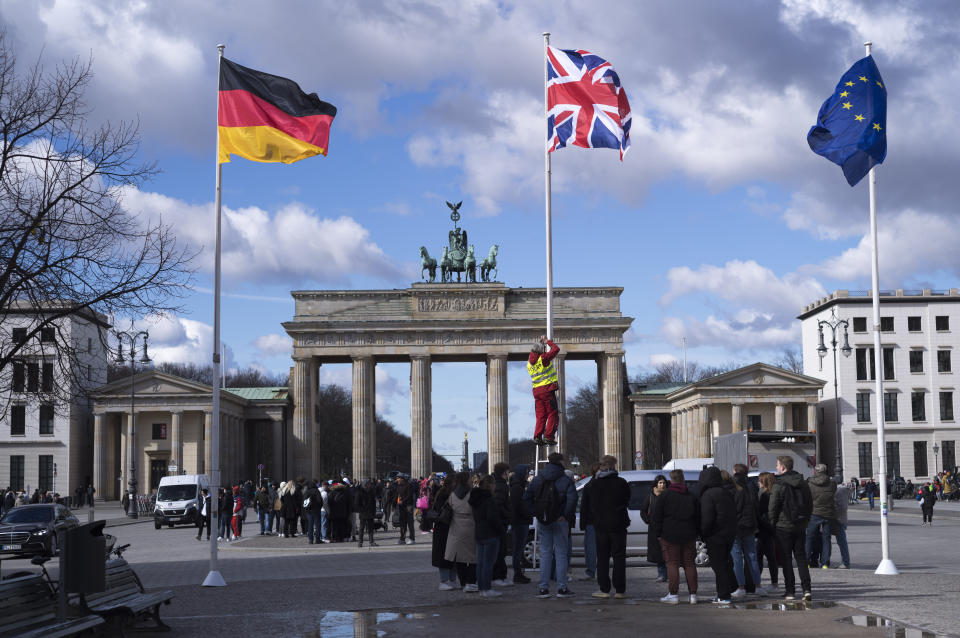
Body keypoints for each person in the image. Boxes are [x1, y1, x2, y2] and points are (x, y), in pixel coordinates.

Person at [524, 452, 576, 599]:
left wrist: (537, 513)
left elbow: (526, 498)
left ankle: (543, 588)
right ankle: (562, 588)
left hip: (543, 519)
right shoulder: (565, 480)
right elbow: (572, 500)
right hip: (560, 521)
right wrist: (564, 515)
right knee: (561, 554)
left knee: (545, 553)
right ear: (560, 462)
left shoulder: (537, 479)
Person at [769, 456, 813, 601]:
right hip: (800, 526)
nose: (776, 468)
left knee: (786, 559)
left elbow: (773, 508)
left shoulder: (779, 484)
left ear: (783, 467)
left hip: (783, 526)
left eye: (777, 465)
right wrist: (805, 521)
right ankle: (807, 589)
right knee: (801, 558)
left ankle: (790, 591)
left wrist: (772, 524)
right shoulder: (803, 483)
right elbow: (809, 504)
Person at [652, 468, 699, 605]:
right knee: (689, 564)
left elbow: (656, 517)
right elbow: (698, 517)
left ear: (670, 480)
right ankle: (693, 594)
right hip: (689, 534)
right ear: (683, 479)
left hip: (670, 535)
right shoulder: (691, 496)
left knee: (672, 564)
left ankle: (673, 594)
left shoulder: (665, 496)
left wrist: (658, 534)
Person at [586, 455, 631, 599]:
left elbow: (589, 505)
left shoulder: (594, 484)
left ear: (602, 466)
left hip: (601, 526)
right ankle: (620, 590)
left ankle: (604, 589)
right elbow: (626, 500)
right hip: (618, 524)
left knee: (603, 557)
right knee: (619, 558)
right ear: (613, 466)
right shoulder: (622, 483)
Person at [699, 466, 738, 604]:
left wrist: (703, 533)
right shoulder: (725, 492)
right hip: (729, 533)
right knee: (725, 563)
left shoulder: (708, 495)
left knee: (718, 565)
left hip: (715, 535)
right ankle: (728, 589)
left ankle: (724, 595)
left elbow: (707, 518)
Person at [730, 465, 767, 598]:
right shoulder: (751, 486)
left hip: (736, 527)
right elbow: (755, 508)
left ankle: (741, 587)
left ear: (735, 472)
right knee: (752, 557)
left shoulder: (732, 487)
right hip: (750, 526)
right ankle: (757, 586)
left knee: (737, 558)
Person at [470, 474, 505, 598]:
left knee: (480, 563)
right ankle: (487, 588)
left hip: (479, 532)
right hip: (490, 533)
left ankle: (481, 589)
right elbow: (492, 518)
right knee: (488, 563)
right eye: (494, 484)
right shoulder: (489, 499)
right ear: (490, 485)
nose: (495, 486)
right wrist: (501, 529)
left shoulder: (475, 499)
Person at [444, 471, 479, 592]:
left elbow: (450, 507)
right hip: (470, 525)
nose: (471, 480)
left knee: (460, 558)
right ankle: (471, 582)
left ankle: (463, 582)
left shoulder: (453, 494)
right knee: (473, 557)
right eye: (470, 478)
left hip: (456, 526)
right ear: (466, 479)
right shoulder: (472, 493)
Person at [527, 335, 561, 445]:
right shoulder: (543, 359)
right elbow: (556, 349)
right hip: (547, 390)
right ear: (541, 351)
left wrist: (541, 342)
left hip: (536, 392)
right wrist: (548, 341)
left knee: (541, 416)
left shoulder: (529, 363)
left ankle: (537, 436)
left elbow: (537, 351)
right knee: (552, 413)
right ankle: (549, 437)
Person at [806, 464, 837, 568]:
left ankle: (807, 561)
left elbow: (808, 497)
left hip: (814, 513)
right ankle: (825, 563)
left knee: (810, 537)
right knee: (826, 538)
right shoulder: (832, 483)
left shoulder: (810, 483)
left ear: (815, 472)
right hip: (828, 513)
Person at [432, 473, 458, 590]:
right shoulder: (444, 494)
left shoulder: (445, 493)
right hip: (443, 528)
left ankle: (452, 580)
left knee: (452, 554)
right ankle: (444, 581)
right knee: (444, 554)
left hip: (448, 527)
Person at [640, 474, 668, 583]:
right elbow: (643, 510)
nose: (662, 485)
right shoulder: (651, 496)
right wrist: (648, 520)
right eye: (660, 483)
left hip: (667, 527)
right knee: (658, 553)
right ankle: (662, 574)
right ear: (656, 484)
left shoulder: (668, 495)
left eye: (664, 482)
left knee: (668, 553)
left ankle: (669, 574)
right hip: (655, 529)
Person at [490, 462, 513, 587]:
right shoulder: (501, 486)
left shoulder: (498, 484)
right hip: (500, 522)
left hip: (500, 521)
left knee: (500, 550)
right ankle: (498, 577)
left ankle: (500, 576)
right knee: (500, 550)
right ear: (505, 472)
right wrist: (508, 514)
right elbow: (498, 504)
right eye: (508, 471)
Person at [577, 463, 601, 583]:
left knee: (591, 548)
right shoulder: (593, 486)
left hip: (592, 521)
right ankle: (596, 571)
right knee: (595, 548)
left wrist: (583, 524)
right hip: (597, 521)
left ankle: (591, 571)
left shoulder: (589, 485)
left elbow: (583, 507)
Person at [509, 464, 532, 584]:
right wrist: (528, 512)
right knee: (518, 550)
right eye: (527, 472)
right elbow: (519, 506)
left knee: (519, 549)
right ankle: (517, 574)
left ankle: (519, 573)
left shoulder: (517, 486)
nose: (528, 475)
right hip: (520, 521)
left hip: (520, 520)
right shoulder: (518, 488)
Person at [756, 472, 779, 588]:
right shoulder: (771, 493)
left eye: (760, 480)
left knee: (760, 557)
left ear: (764, 482)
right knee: (770, 558)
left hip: (763, 529)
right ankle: (774, 582)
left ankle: (758, 583)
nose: (758, 482)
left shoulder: (765, 495)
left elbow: (762, 513)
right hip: (770, 530)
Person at [832, 481, 851, 568]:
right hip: (842, 519)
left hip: (837, 519)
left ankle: (845, 562)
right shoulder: (845, 491)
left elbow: (840, 507)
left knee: (840, 542)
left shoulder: (838, 491)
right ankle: (846, 562)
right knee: (842, 542)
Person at [395, 475, 416, 544]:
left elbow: (409, 496)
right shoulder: (398, 486)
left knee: (410, 523)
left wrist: (402, 501)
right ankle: (402, 539)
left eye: (398, 478)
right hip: (401, 506)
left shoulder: (408, 485)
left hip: (408, 506)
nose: (397, 480)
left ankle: (412, 539)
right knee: (402, 523)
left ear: (402, 479)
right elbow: (397, 495)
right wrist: (394, 504)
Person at [357, 479, 378, 547]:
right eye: (368, 484)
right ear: (365, 485)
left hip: (370, 512)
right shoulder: (359, 492)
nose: (370, 485)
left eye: (370, 484)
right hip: (363, 512)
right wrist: (362, 509)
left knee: (371, 528)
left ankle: (371, 541)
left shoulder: (371, 492)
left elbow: (374, 502)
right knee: (361, 528)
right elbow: (357, 504)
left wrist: (374, 511)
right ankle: (360, 542)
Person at [304, 479, 323, 544]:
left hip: (309, 510)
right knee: (317, 525)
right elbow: (320, 501)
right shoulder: (316, 491)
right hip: (316, 510)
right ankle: (317, 539)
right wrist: (319, 507)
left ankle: (310, 539)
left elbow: (304, 501)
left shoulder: (307, 491)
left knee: (310, 525)